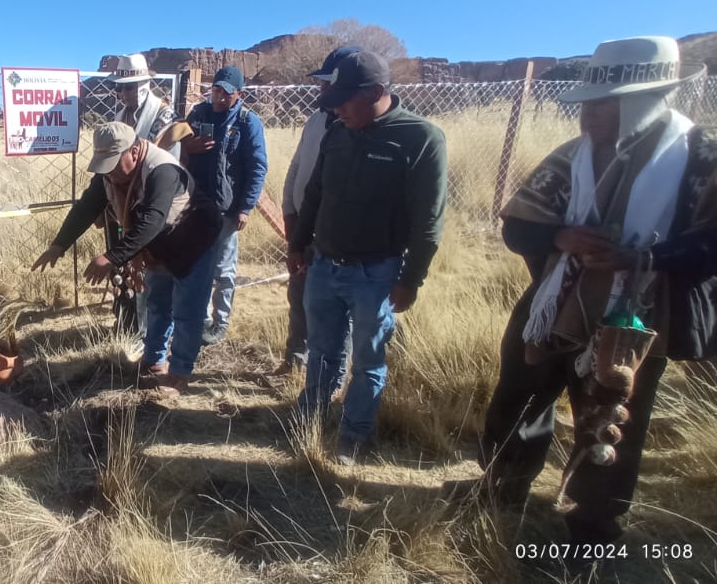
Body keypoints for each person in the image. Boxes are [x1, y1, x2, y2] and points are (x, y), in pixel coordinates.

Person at [444, 36, 716, 550]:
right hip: (554, 302)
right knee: (519, 394)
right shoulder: (572, 158)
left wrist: (646, 259)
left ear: (644, 100)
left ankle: (593, 531)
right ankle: (504, 488)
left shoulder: (701, 159)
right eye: (587, 104)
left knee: (612, 416)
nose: (586, 116)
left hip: (634, 318)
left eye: (601, 104)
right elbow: (519, 227)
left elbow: (711, 243)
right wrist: (561, 237)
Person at [287, 50, 448, 465]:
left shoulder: (420, 138)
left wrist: (411, 279)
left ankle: (354, 436)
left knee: (368, 358)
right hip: (324, 264)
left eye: (344, 99)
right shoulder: (337, 131)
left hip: (376, 272)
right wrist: (298, 245)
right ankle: (310, 419)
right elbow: (315, 193)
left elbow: (427, 221)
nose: (336, 108)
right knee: (322, 349)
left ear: (376, 91)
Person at [33, 121, 222, 394]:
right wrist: (58, 245)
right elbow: (87, 206)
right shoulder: (109, 174)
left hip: (195, 240)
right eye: (103, 162)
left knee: (186, 312)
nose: (107, 171)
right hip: (160, 245)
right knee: (158, 304)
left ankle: (179, 373)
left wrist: (111, 257)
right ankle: (153, 361)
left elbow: (152, 221)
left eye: (113, 162)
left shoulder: (162, 170)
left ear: (134, 151)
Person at [278, 45, 360, 376]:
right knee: (298, 298)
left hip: (335, 236)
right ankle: (295, 360)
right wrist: (288, 211)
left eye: (328, 83)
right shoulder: (314, 121)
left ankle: (332, 376)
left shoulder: (356, 127)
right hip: (303, 227)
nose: (321, 89)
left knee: (335, 310)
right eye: (321, 83)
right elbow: (297, 168)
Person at [181, 66, 268, 346]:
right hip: (196, 207)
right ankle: (201, 317)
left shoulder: (247, 122)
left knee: (223, 269)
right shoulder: (198, 114)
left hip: (226, 210)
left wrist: (245, 207)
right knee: (195, 262)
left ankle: (220, 321)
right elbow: (176, 146)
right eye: (216, 90)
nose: (218, 97)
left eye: (226, 93)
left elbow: (257, 167)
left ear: (239, 94)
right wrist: (189, 147)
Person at [105, 53, 179, 335]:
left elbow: (166, 168)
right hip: (125, 204)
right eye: (119, 88)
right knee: (128, 272)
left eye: (128, 87)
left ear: (144, 86)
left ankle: (154, 338)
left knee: (155, 277)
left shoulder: (164, 117)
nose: (122, 93)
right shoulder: (120, 115)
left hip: (156, 205)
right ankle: (133, 324)